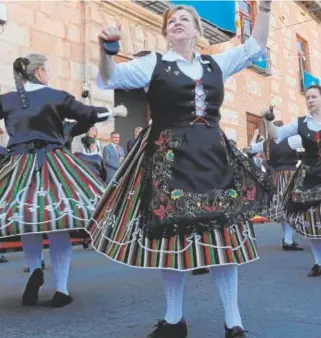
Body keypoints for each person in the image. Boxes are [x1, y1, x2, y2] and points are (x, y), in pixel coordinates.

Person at [90, 2, 272, 337]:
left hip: (213, 157)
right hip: (168, 160)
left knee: (223, 235)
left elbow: (256, 46)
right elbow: (108, 77)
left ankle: (234, 323)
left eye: (184, 19)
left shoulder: (216, 62)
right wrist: (107, 49)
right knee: (170, 237)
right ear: (166, 32)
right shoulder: (153, 63)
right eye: (170, 21)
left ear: (197, 31)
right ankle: (174, 321)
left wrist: (264, 9)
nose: (176, 23)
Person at [0, 53, 125, 308]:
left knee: (27, 219)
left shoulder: (8, 100)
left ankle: (35, 268)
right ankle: (61, 289)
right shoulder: (54, 95)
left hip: (19, 163)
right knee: (59, 221)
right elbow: (88, 113)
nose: (50, 74)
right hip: (53, 163)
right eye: (47, 70)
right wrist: (113, 111)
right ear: (39, 72)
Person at [263, 84, 321, 277]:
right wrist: (268, 121)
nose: (310, 100)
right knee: (312, 219)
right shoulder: (300, 123)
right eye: (307, 97)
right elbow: (276, 135)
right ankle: (318, 262)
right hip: (310, 176)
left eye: (314, 97)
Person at [248, 127, 303, 251]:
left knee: (282, 208)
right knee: (289, 208)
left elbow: (250, 150)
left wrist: (255, 135)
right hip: (290, 175)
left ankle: (287, 239)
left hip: (275, 176)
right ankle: (288, 240)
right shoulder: (292, 139)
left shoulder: (267, 143)